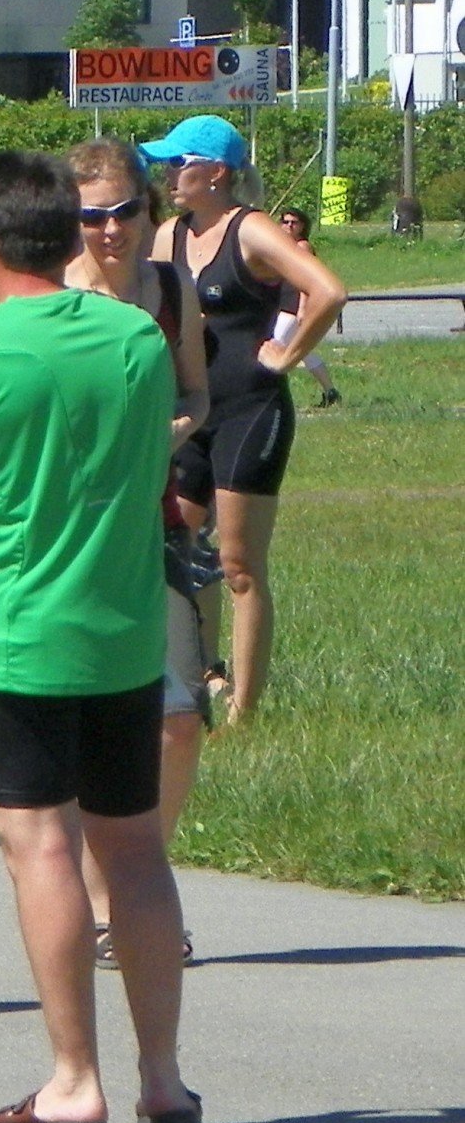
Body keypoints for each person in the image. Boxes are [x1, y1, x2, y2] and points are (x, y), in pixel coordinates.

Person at [0, 151, 197, 1123]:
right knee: (135, 850)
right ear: (72, 238)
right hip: (122, 635)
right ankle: (162, 1076)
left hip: (19, 641)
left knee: (42, 852)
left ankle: (74, 1075)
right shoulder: (135, 338)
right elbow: (153, 460)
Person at [62, 140, 210, 971]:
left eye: (124, 211)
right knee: (92, 726)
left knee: (179, 717)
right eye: (91, 215)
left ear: (149, 213)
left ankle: (141, 883)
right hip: (75, 537)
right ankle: (101, 903)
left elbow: (196, 389)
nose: (110, 229)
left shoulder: (168, 289)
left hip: (152, 526)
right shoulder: (54, 297)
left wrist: (171, 430)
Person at [145, 115, 346, 725]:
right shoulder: (167, 236)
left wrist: (285, 355)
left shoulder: (251, 231)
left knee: (238, 564)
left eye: (182, 163)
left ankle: (243, 711)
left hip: (250, 410)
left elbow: (328, 291)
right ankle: (199, 673)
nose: (171, 174)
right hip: (191, 411)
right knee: (177, 544)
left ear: (218, 173)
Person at [270, 207, 343, 407]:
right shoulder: (285, 245)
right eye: (285, 222)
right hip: (283, 301)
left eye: (294, 222)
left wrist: (303, 308)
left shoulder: (302, 247)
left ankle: (271, 392)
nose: (289, 226)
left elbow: (307, 281)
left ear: (303, 226)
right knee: (303, 350)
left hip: (294, 304)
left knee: (277, 342)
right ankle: (331, 392)